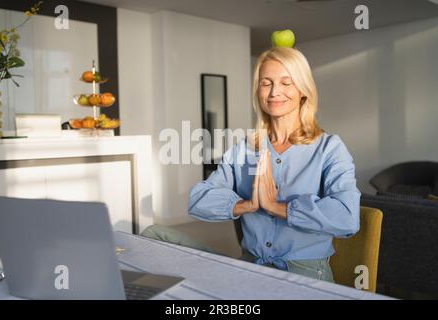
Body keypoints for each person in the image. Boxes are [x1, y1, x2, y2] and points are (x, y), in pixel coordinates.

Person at [142, 47, 361, 283]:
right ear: (258, 91)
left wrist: (276, 207)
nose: (275, 92)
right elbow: (199, 200)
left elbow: (347, 217)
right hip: (249, 266)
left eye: (286, 83)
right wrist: (246, 205)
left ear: (303, 91)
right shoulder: (244, 148)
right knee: (153, 235)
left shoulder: (329, 148)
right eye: (266, 83)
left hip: (302, 273)